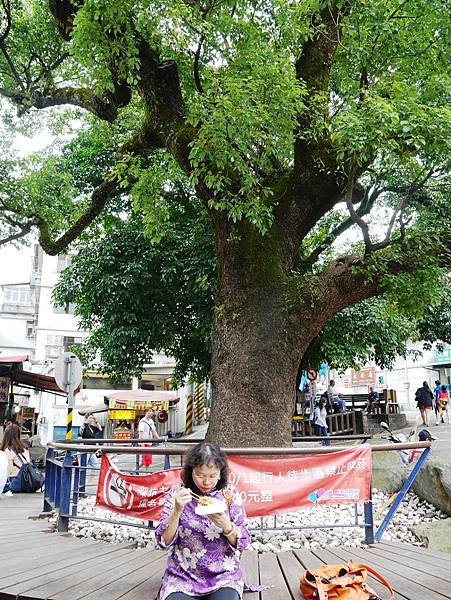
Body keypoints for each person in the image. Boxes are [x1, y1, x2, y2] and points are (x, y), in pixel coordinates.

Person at [155, 442, 249, 600]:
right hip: (182, 575)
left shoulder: (229, 494)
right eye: (200, 475)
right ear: (190, 472)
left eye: (212, 476)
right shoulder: (178, 494)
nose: (206, 482)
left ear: (221, 473)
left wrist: (227, 526)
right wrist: (177, 510)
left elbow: (244, 541)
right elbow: (163, 541)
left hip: (223, 575)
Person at [1, 423, 31, 493]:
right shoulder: (24, 448)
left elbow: (9, 469)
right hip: (26, 481)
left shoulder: (8, 449)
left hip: (14, 482)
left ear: (6, 435)